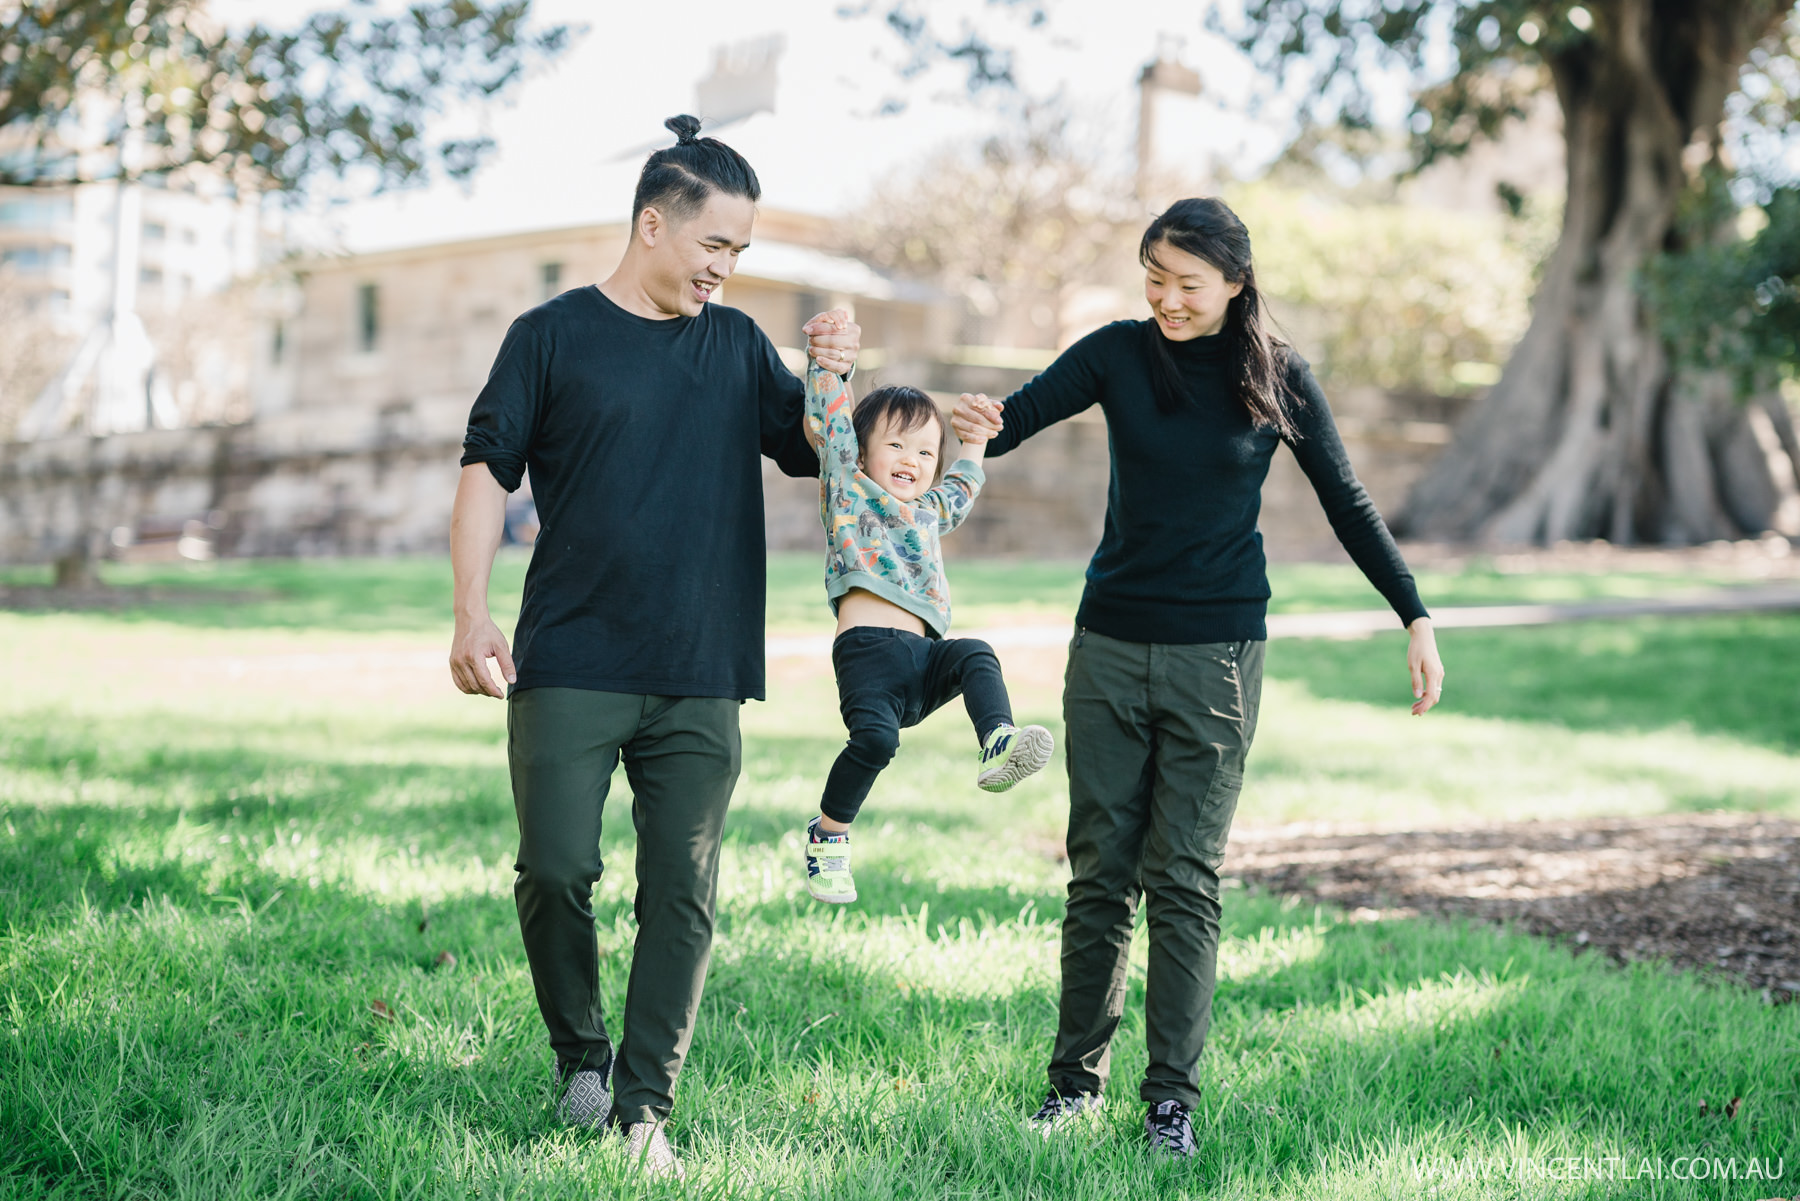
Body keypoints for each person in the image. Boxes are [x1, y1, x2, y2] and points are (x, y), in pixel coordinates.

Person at [952, 197, 1446, 1158]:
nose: (1168, 300)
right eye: (1155, 279)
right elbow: (1015, 418)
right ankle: (1071, 1087)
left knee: (1183, 877)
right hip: (1107, 648)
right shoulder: (1118, 352)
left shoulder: (1276, 375)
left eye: (1186, 283)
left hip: (1217, 657)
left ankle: (1168, 1098)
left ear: (1234, 282)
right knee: (1099, 872)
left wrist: (1415, 614)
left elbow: (1346, 500)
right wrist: (970, 424)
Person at [447, 114, 861, 1180]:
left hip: (699, 665)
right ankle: (581, 1056)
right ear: (653, 224)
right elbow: (486, 472)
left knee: (681, 889)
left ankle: (644, 1108)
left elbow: (819, 454)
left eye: (741, 253)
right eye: (716, 246)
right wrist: (470, 610)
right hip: (573, 653)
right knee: (553, 868)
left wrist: (831, 378)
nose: (727, 270)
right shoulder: (550, 335)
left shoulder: (734, 345)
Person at [800, 352, 1053, 904]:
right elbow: (833, 422)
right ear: (862, 453)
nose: (910, 459)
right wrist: (827, 365)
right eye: (894, 445)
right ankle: (829, 836)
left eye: (923, 450)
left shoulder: (929, 512)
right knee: (875, 741)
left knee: (976, 652)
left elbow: (963, 482)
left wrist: (976, 439)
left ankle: (996, 742)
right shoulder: (847, 488)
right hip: (867, 655)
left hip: (924, 657)